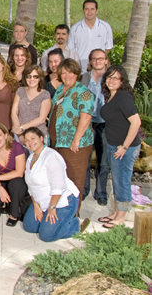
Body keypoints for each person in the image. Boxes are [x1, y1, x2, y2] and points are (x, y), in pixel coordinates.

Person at [22, 127, 85, 242]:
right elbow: (31, 186)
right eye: (27, 140)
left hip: (61, 201)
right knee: (30, 227)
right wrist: (36, 205)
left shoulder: (52, 156)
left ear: (41, 138)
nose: (30, 142)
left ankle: (75, 224)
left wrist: (52, 208)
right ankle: (51, 223)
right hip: (42, 201)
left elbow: (58, 187)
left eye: (33, 138)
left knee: (46, 236)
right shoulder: (30, 158)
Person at [48, 58, 94, 211]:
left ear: (77, 73)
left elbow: (86, 117)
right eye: (63, 73)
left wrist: (76, 139)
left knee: (74, 179)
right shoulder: (60, 89)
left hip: (74, 144)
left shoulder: (83, 92)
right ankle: (61, 210)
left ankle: (73, 214)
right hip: (57, 142)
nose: (67, 76)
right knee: (60, 178)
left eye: (70, 72)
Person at [98, 66, 141, 229]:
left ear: (122, 81)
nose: (111, 80)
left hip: (124, 148)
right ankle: (116, 212)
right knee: (116, 180)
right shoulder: (111, 96)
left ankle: (121, 217)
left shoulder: (123, 96)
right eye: (109, 77)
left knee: (122, 180)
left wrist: (124, 146)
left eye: (115, 78)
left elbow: (136, 122)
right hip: (114, 145)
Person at [81, 49, 109, 206]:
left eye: (100, 58)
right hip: (87, 123)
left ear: (106, 60)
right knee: (85, 158)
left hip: (105, 123)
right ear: (90, 61)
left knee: (103, 161)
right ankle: (84, 190)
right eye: (94, 59)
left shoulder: (111, 78)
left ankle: (101, 193)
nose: (97, 61)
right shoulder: (84, 78)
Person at [68, 0, 113, 71]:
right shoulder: (75, 29)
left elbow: (108, 48)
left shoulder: (106, 27)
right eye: (87, 9)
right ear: (83, 11)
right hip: (81, 70)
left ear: (96, 11)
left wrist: (98, 60)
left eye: (92, 9)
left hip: (99, 70)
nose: (89, 12)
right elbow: (70, 49)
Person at [11, 65, 51, 143]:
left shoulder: (45, 95)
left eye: (35, 76)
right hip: (20, 136)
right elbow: (14, 113)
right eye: (29, 76)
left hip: (38, 136)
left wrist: (21, 127)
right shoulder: (20, 91)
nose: (32, 79)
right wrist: (20, 134)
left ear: (40, 78)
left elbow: (42, 119)